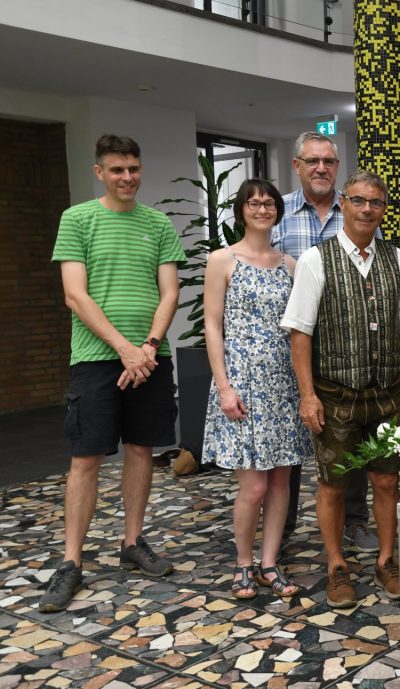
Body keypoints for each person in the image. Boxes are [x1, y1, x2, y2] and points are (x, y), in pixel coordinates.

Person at [41, 134, 185, 612]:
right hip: (97, 359)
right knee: (86, 458)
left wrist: (146, 348)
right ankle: (70, 562)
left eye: (134, 169)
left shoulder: (158, 223)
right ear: (99, 172)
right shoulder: (77, 218)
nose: (128, 177)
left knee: (141, 449)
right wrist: (125, 348)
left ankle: (132, 541)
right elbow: (75, 295)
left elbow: (169, 293)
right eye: (118, 169)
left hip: (148, 357)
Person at [281, 170, 400, 608]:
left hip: (386, 393)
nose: (368, 209)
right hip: (333, 395)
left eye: (376, 203)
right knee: (333, 484)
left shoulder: (397, 259)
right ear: (343, 203)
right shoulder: (315, 259)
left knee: (387, 481)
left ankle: (386, 561)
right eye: (360, 201)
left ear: (384, 210)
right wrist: (307, 396)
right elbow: (300, 334)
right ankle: (337, 566)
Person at [202, 179, 312, 599]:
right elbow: (213, 326)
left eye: (269, 203)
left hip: (283, 384)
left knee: (282, 481)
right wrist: (224, 386)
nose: (262, 209)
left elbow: (301, 328)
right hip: (243, 385)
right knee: (254, 486)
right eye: (254, 202)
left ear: (277, 211)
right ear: (241, 209)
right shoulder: (222, 260)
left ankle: (270, 563)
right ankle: (243, 563)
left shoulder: (289, 265)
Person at [271, 131, 378, 556]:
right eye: (313, 161)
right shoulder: (278, 215)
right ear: (296, 165)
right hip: (291, 346)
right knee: (293, 436)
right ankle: (285, 521)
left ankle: (354, 521)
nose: (321, 168)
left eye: (329, 162)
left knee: (349, 436)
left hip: (346, 354)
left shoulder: (356, 210)